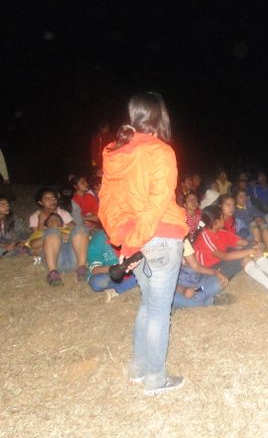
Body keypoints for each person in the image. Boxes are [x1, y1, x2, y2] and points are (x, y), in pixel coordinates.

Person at [99, 92, 189, 396]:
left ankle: (138, 368)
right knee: (159, 310)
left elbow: (107, 202)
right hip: (160, 238)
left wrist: (124, 240)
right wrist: (134, 241)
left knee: (148, 304)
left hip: (134, 240)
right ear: (160, 116)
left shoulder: (114, 152)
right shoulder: (160, 151)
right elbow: (156, 205)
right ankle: (155, 379)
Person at [193, 205, 268, 300]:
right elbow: (225, 256)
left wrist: (256, 244)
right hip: (210, 272)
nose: (224, 218)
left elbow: (243, 242)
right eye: (222, 217)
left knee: (251, 250)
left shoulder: (220, 232)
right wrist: (251, 250)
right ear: (216, 221)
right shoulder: (205, 236)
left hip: (221, 264)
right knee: (245, 256)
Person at [28, 188, 89, 286]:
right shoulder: (38, 219)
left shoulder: (63, 215)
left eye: (53, 198)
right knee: (52, 231)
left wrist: (68, 234)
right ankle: (53, 273)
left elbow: (79, 232)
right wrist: (43, 223)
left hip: (75, 259)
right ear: (40, 202)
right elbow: (33, 243)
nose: (52, 201)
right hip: (56, 261)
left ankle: (82, 269)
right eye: (47, 199)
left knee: (80, 228)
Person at [86, 229, 138, 302]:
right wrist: (113, 269)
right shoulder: (98, 239)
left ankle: (117, 290)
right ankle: (130, 283)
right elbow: (94, 269)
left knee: (145, 271)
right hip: (110, 275)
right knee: (97, 282)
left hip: (132, 272)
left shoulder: (130, 232)